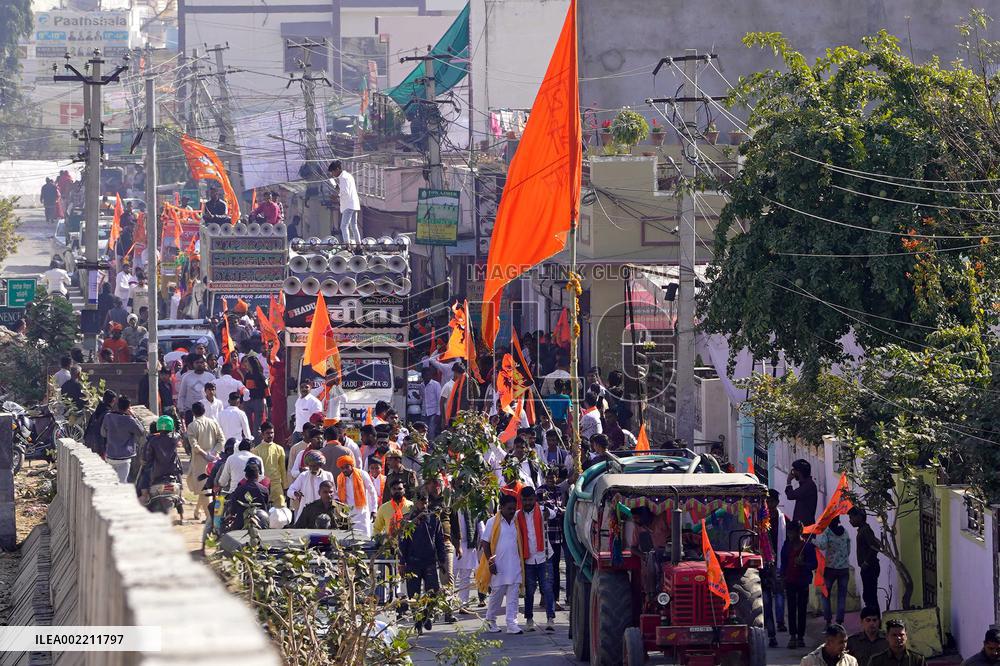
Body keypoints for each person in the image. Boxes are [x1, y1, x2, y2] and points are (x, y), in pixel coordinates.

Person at [399, 490, 447, 634]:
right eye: (421, 502)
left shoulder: (434, 518)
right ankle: (418, 621)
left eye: (425, 502)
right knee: (414, 595)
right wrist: (402, 563)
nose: (423, 505)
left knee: (433, 592)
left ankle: (427, 614)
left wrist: (442, 560)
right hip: (412, 562)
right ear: (415, 503)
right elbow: (402, 543)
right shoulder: (407, 520)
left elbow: (439, 540)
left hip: (430, 561)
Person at [480, 493, 525, 635]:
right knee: (496, 595)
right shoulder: (492, 522)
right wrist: (491, 561)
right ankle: (490, 621)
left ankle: (512, 624)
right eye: (510, 509)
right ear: (501, 508)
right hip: (498, 566)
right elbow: (485, 543)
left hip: (515, 565)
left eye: (514, 508)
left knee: (513, 596)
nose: (512, 511)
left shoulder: (516, 521)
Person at [518, 486, 556, 632]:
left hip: (544, 557)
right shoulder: (517, 516)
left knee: (547, 588)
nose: (528, 503)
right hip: (528, 559)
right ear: (521, 500)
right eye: (525, 500)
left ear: (535, 499)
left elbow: (553, 514)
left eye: (530, 500)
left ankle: (550, 619)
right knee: (529, 591)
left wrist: (548, 511)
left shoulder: (542, 511)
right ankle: (529, 619)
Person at [779, 519, 817, 649]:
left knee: (801, 609)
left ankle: (800, 636)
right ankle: (792, 636)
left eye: (792, 532)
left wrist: (804, 564)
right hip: (790, 581)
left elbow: (814, 564)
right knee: (791, 609)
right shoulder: (787, 546)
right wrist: (782, 577)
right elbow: (783, 563)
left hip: (802, 581)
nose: (790, 535)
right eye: (789, 532)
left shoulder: (807, 546)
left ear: (799, 532)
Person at [185, 401, 225, 521]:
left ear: (193, 412)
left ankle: (209, 518)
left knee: (204, 489)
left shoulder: (192, 426)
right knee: (204, 488)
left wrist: (205, 455)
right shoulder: (213, 422)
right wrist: (214, 453)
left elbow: (194, 445)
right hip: (214, 461)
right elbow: (221, 439)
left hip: (199, 462)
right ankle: (197, 511)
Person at [537, 469, 566, 607]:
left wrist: (556, 510)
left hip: (557, 536)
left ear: (557, 478)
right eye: (547, 477)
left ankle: (555, 599)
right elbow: (543, 511)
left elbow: (562, 509)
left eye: (552, 477)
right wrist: (557, 511)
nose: (550, 479)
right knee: (544, 568)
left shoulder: (560, 491)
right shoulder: (540, 491)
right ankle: (544, 595)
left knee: (555, 568)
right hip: (544, 535)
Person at [100, 395, 146, 483]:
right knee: (122, 483)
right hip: (124, 458)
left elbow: (103, 433)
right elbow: (141, 432)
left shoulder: (108, 417)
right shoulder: (130, 420)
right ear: (128, 407)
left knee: (110, 483)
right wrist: (134, 416)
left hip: (110, 455)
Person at [815, 516, 851, 625]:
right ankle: (839, 622)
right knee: (842, 596)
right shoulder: (845, 531)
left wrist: (812, 540)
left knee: (825, 595)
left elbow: (822, 546)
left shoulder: (827, 532)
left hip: (830, 568)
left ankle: (828, 621)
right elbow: (848, 550)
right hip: (844, 568)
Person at [763, 489, 788, 647]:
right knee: (765, 599)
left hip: (778, 562)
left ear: (777, 502)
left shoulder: (782, 519)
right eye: (768, 501)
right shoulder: (759, 518)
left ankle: (780, 622)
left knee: (779, 594)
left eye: (772, 501)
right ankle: (771, 632)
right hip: (764, 564)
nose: (770, 504)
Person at [335, 455, 378, 539]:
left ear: (352, 465)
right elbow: (337, 494)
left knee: (364, 539)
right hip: (346, 513)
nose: (345, 470)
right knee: (347, 539)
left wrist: (374, 510)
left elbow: (372, 492)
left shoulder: (362, 474)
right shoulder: (339, 478)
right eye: (342, 468)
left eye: (347, 467)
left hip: (361, 512)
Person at [849, 506, 882, 611]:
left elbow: (875, 546)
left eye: (851, 518)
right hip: (867, 568)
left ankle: (875, 620)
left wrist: (866, 562)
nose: (850, 521)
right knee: (869, 596)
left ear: (859, 517)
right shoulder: (863, 530)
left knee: (870, 597)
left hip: (870, 568)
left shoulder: (865, 530)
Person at [139, 415, 183, 493]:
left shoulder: (152, 440)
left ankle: (144, 495)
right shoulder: (174, 438)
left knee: (145, 473)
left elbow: (147, 457)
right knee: (178, 472)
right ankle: (181, 495)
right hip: (172, 471)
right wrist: (176, 417)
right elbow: (179, 431)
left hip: (156, 473)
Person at [287, 451, 335, 522]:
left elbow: (334, 493)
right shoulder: (303, 476)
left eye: (315, 466)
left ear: (320, 465)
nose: (312, 468)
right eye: (310, 466)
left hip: (324, 513)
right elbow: (290, 491)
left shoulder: (328, 475)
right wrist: (295, 493)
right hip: (307, 513)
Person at [453, 504, 484, 611]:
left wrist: (483, 540)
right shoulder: (449, 507)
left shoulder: (473, 507)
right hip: (451, 546)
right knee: (450, 578)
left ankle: (463, 604)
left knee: (465, 577)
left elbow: (480, 526)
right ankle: (448, 606)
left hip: (468, 546)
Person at [252, 421, 287, 508]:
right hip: (263, 486)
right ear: (262, 434)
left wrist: (285, 486)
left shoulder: (279, 449)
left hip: (277, 485)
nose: (270, 435)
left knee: (281, 510)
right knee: (263, 511)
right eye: (267, 433)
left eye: (272, 433)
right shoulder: (256, 450)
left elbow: (283, 469)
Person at [227, 462, 270, 530]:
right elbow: (266, 506)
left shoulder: (239, 489)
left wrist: (231, 514)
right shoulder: (264, 490)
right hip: (260, 522)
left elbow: (233, 509)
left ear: (246, 476)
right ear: (258, 475)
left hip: (241, 524)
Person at [328, 160, 362, 244]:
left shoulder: (343, 178)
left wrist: (336, 196)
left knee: (343, 226)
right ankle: (358, 244)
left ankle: (347, 245)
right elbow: (346, 189)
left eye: (332, 172)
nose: (332, 174)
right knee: (354, 226)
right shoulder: (348, 176)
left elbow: (345, 192)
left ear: (337, 169)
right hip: (354, 204)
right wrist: (338, 188)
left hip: (348, 205)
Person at [441, 363, 480, 428]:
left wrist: (473, 415)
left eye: (455, 373)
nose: (454, 375)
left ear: (456, 372)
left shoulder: (470, 382)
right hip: (457, 415)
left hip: (467, 416)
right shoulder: (458, 383)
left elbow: (476, 398)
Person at [785, 459, 818, 526]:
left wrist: (789, 482)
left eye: (794, 470)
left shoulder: (808, 486)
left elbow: (790, 495)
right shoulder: (806, 484)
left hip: (805, 526)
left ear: (799, 472)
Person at [420, 366, 442, 440]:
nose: (427, 376)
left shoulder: (436, 385)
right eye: (425, 375)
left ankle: (431, 448)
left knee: (431, 431)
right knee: (423, 431)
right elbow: (422, 398)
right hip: (424, 412)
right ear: (422, 376)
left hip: (433, 412)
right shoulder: (421, 386)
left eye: (428, 375)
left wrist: (438, 413)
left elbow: (439, 399)